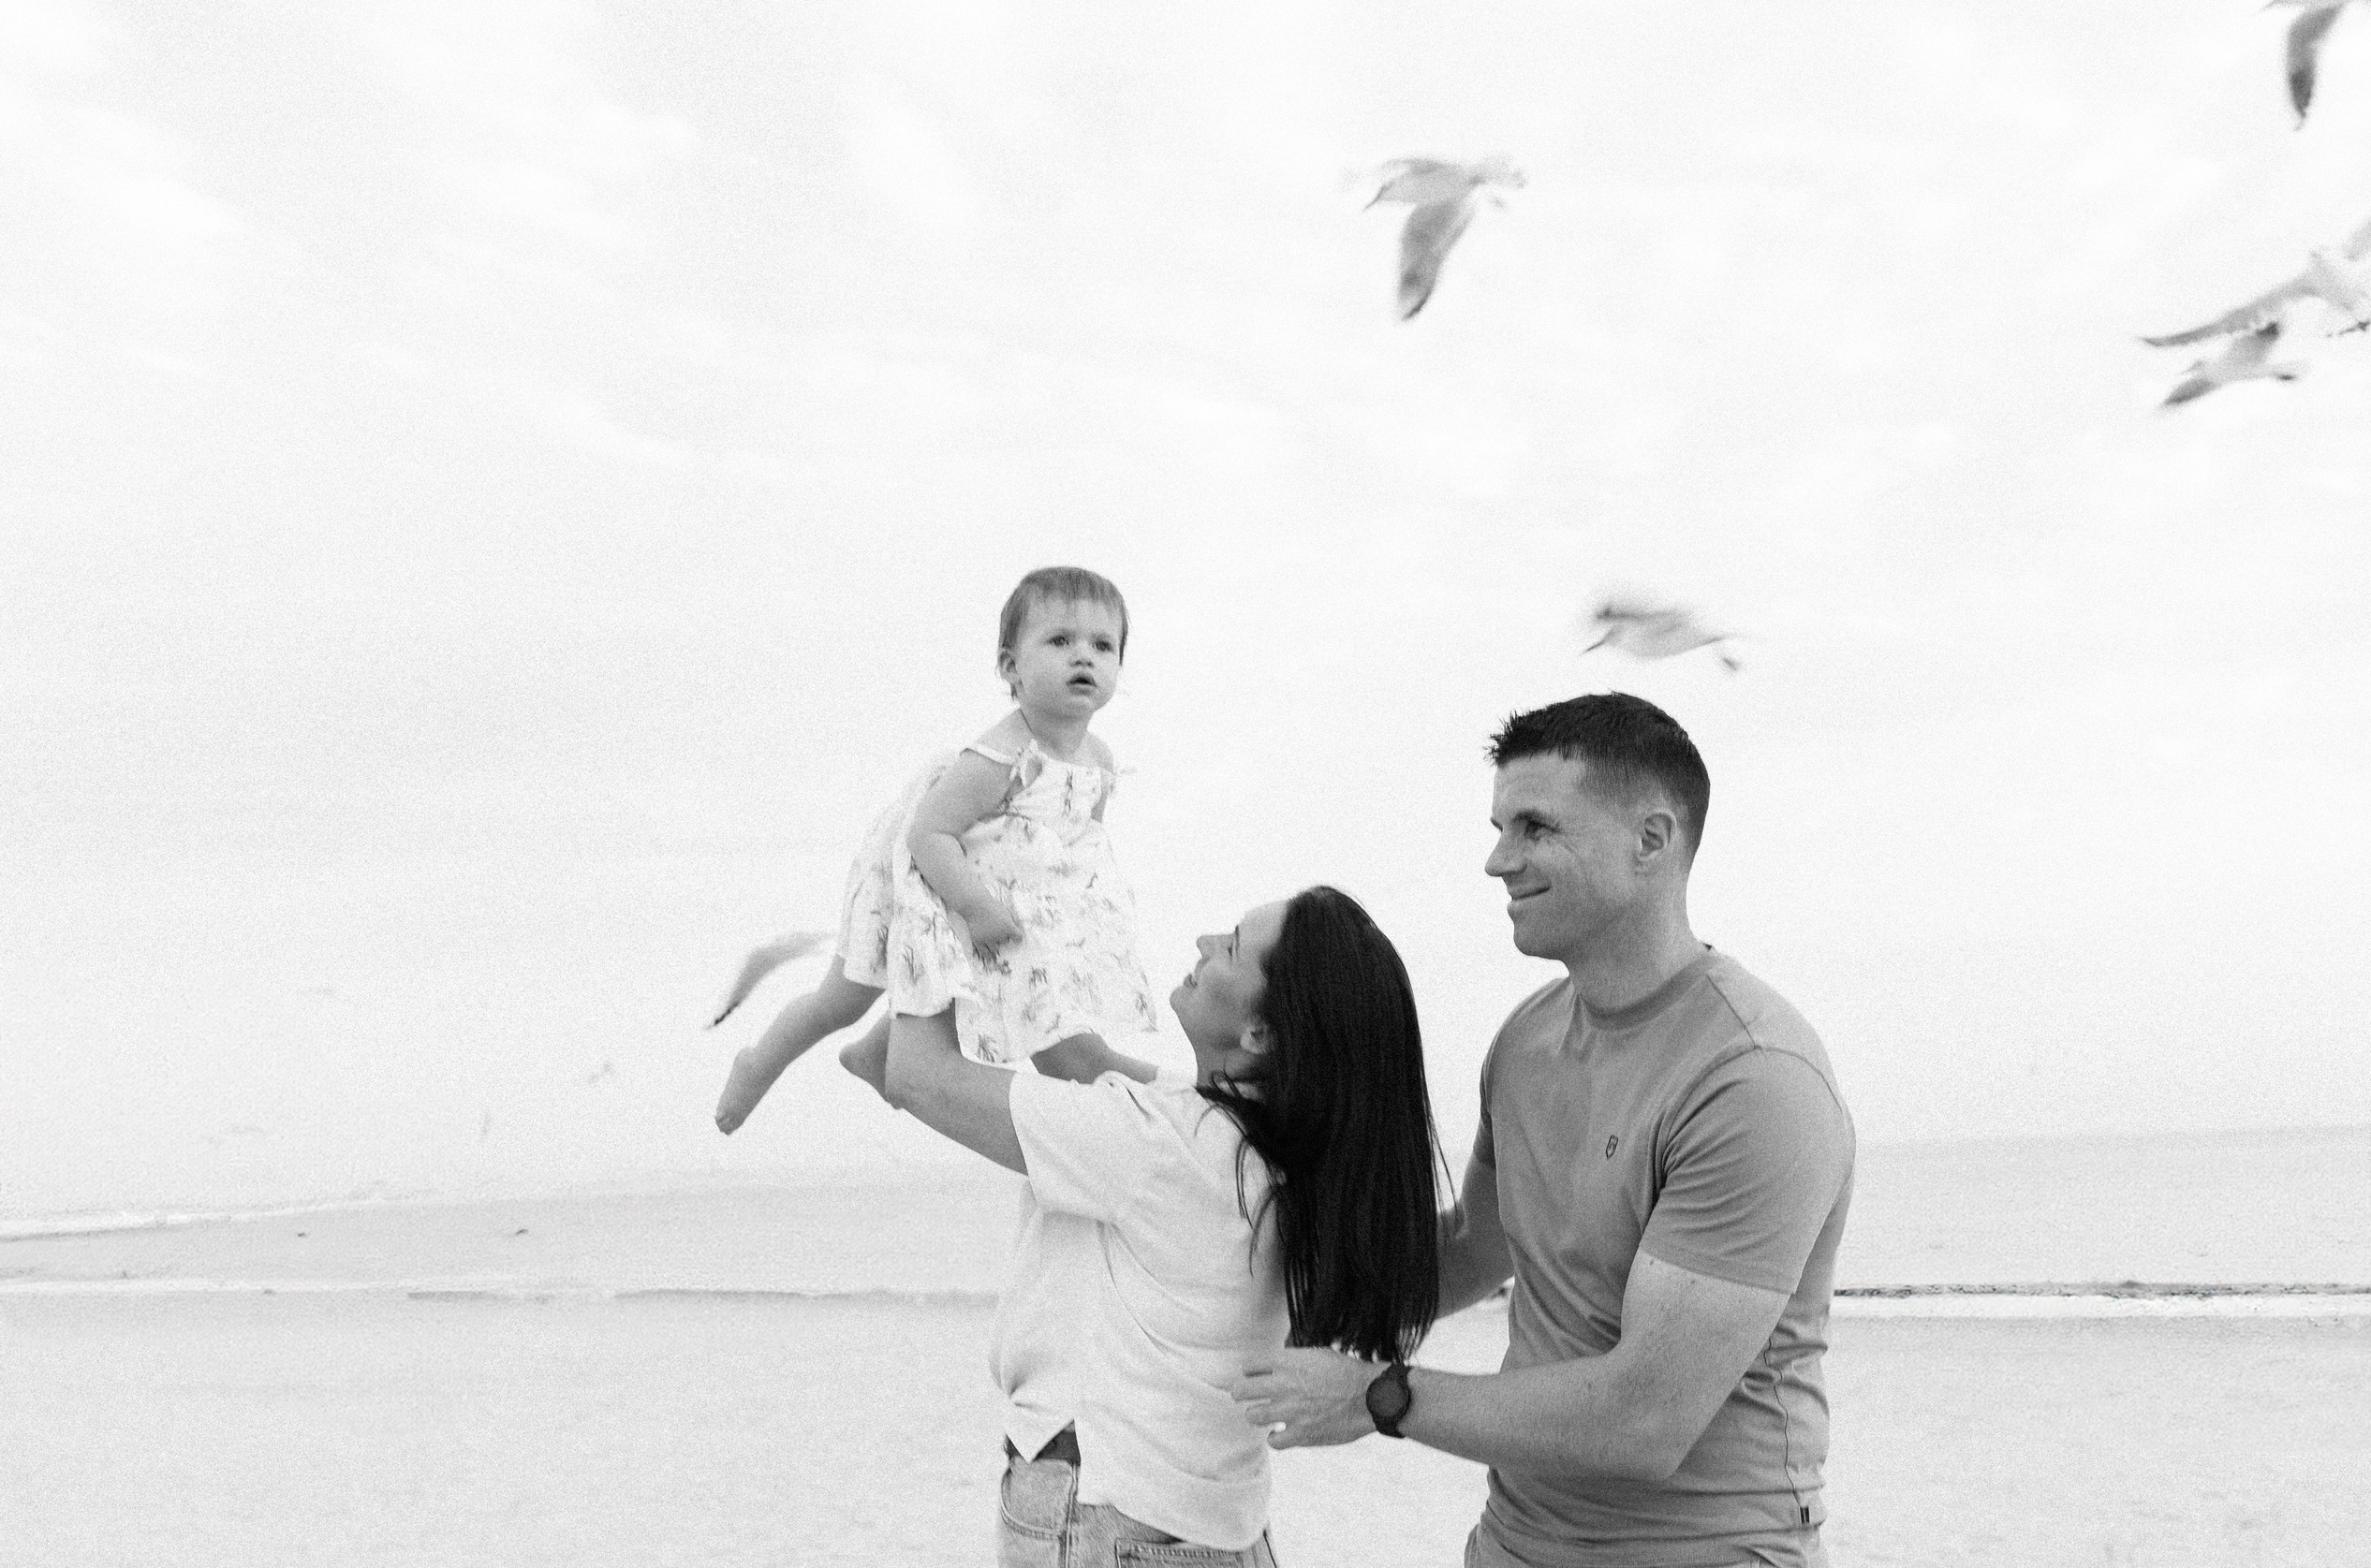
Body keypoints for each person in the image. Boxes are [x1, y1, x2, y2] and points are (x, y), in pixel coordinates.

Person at [1233, 693, 1855, 1568]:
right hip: (1514, 1542)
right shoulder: (1526, 1040)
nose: (1499, 860)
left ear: (1651, 840)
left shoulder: (1753, 1079)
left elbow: (1646, 1420)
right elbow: (1471, 1248)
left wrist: (1379, 1396)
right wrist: (1250, 1282)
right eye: (1500, 828)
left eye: (1535, 828)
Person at [876, 885, 1446, 1566]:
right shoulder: (1261, 1141)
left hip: (1108, 1513)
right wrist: (1002, 914)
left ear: (1260, 1034)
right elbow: (1079, 1063)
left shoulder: (1166, 1143)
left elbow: (916, 1075)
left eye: (1231, 947)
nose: (1206, 942)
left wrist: (924, 888)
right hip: (1211, 1530)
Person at [711, 565, 1158, 1133]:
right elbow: (928, 835)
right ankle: (759, 1062)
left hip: (1006, 888)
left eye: (1102, 646)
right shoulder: (1002, 755)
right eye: (1060, 641)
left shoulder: (1099, 759)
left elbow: (1080, 843)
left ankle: (876, 1053)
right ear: (1011, 668)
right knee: (844, 998)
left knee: (969, 983)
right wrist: (973, 906)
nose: (1083, 657)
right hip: (929, 875)